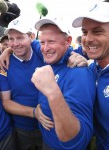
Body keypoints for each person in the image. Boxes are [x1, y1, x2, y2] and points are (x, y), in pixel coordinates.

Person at [30, 17, 96, 150]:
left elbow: (78, 141)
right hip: (46, 139)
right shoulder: (50, 56)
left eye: (51, 42)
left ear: (68, 42)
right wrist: (7, 52)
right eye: (42, 42)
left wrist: (52, 93)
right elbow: (30, 42)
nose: (45, 48)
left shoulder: (78, 73)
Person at [0, 17, 54, 150]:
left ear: (31, 37)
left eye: (20, 38)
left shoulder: (43, 55)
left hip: (49, 126)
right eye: (11, 38)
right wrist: (35, 113)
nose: (15, 43)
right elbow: (6, 102)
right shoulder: (4, 65)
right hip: (21, 128)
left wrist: (73, 56)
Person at [72, 1, 109, 149]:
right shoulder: (92, 67)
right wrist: (8, 51)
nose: (88, 38)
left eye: (97, 31)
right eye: (84, 32)